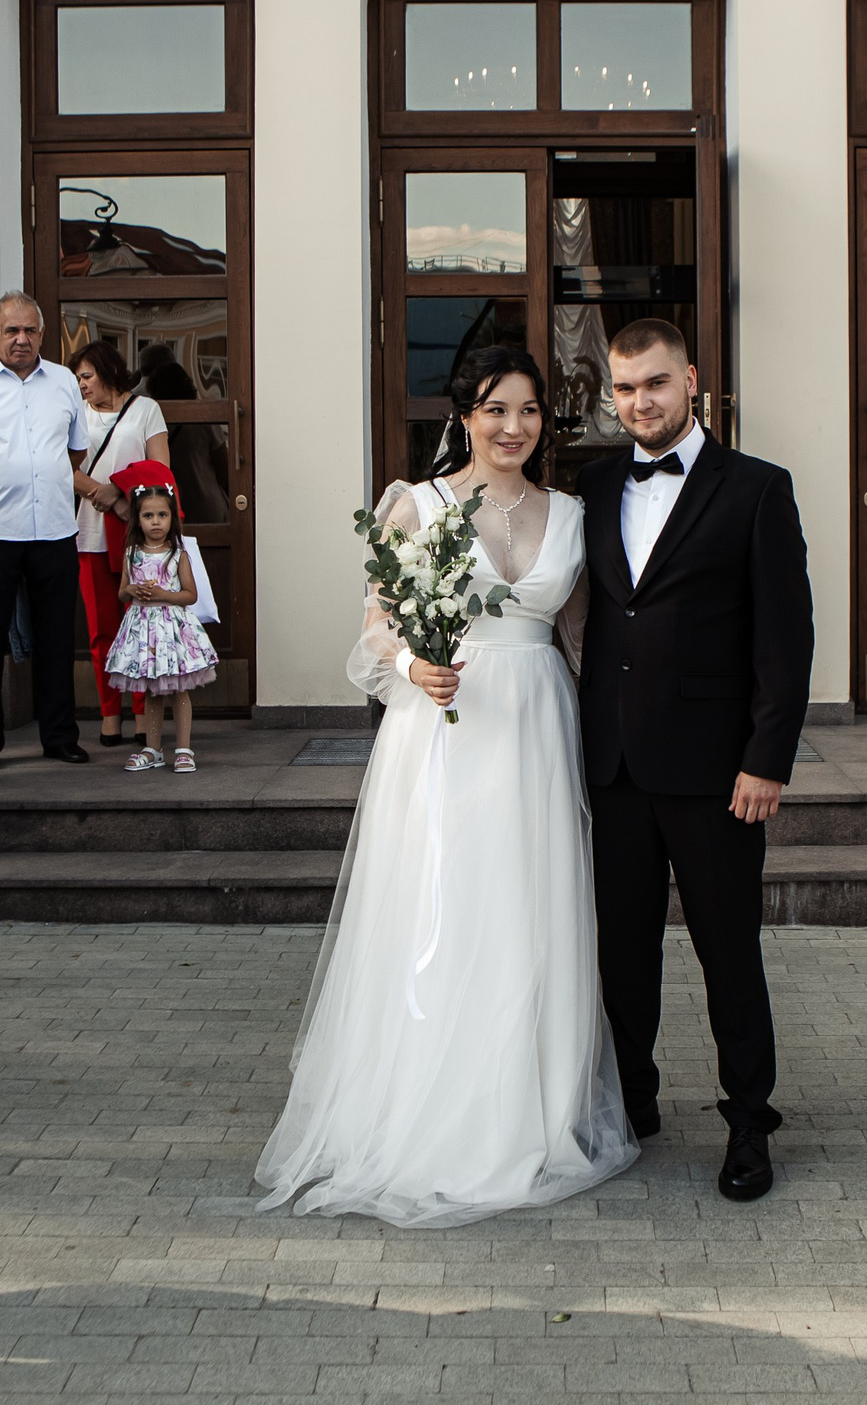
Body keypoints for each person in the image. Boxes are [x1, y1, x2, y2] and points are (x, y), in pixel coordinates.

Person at [256, 346, 636, 1225]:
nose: (514, 427)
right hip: (445, 735)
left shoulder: (572, 514)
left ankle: (527, 1113)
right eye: (497, 409)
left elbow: (583, 642)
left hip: (538, 728)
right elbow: (373, 632)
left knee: (530, 911)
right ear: (464, 413)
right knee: (446, 908)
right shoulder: (415, 506)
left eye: (531, 411)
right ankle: (431, 1111)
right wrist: (412, 662)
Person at [578, 319, 813, 1201]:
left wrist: (767, 758)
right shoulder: (594, 487)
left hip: (719, 774)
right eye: (627, 387)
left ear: (694, 382)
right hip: (614, 766)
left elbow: (785, 640)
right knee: (621, 953)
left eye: (657, 384)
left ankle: (750, 1120)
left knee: (729, 952)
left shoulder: (756, 489)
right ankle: (632, 1104)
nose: (641, 401)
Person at [0, 294, 91, 768]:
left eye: (30, 331)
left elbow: (75, 452)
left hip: (54, 527)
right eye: (11, 331)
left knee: (56, 637)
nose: (21, 339)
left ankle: (58, 737)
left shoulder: (63, 382)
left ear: (42, 334)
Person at [72, 340, 170, 748]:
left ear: (108, 370)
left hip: (136, 536)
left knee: (142, 630)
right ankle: (109, 714)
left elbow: (160, 468)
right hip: (88, 534)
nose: (81, 385)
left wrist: (118, 490)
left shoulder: (145, 409)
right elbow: (63, 465)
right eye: (77, 378)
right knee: (102, 632)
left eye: (87, 376)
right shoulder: (75, 413)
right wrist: (103, 491)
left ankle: (143, 714)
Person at [103, 478, 217, 773]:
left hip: (172, 630)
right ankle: (153, 749)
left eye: (162, 515)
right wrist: (133, 592)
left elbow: (190, 595)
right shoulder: (132, 554)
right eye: (148, 516)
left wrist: (164, 594)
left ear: (172, 517)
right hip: (143, 631)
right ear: (137, 519)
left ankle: (183, 748)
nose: (156, 522)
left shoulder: (178, 554)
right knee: (152, 691)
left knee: (179, 690)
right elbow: (121, 591)